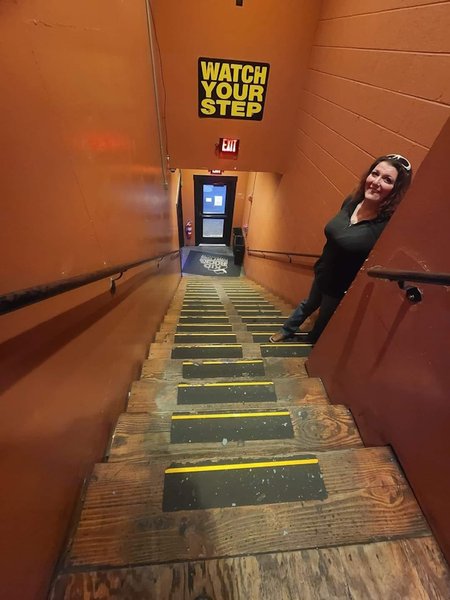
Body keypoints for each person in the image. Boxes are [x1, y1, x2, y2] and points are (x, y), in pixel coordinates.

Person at [269, 154, 413, 345]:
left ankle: (312, 342)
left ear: (396, 190)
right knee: (308, 303)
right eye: (375, 174)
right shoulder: (351, 202)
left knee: (325, 316)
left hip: (340, 285)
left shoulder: (385, 226)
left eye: (387, 180)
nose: (376, 182)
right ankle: (286, 330)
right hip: (323, 271)